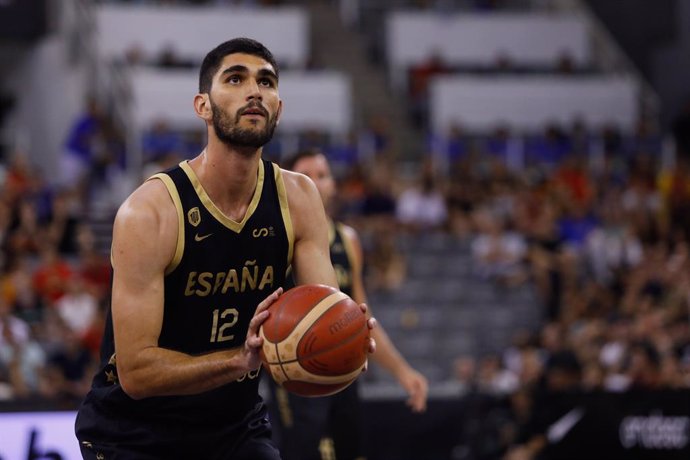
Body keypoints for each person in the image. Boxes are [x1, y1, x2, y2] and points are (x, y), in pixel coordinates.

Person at [74, 37, 376, 459]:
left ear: (278, 108)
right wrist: (239, 360)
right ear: (202, 106)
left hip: (233, 428)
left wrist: (345, 338)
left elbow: (319, 313)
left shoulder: (299, 197)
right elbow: (136, 373)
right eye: (236, 79)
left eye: (267, 82)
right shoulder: (150, 212)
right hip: (134, 432)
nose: (255, 90)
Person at [269, 149, 429, 460]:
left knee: (349, 449)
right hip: (293, 368)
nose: (314, 182)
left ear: (333, 185)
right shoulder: (275, 235)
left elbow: (363, 317)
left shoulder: (348, 240)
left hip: (343, 364)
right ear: (287, 183)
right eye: (305, 175)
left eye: (322, 174)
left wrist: (402, 370)